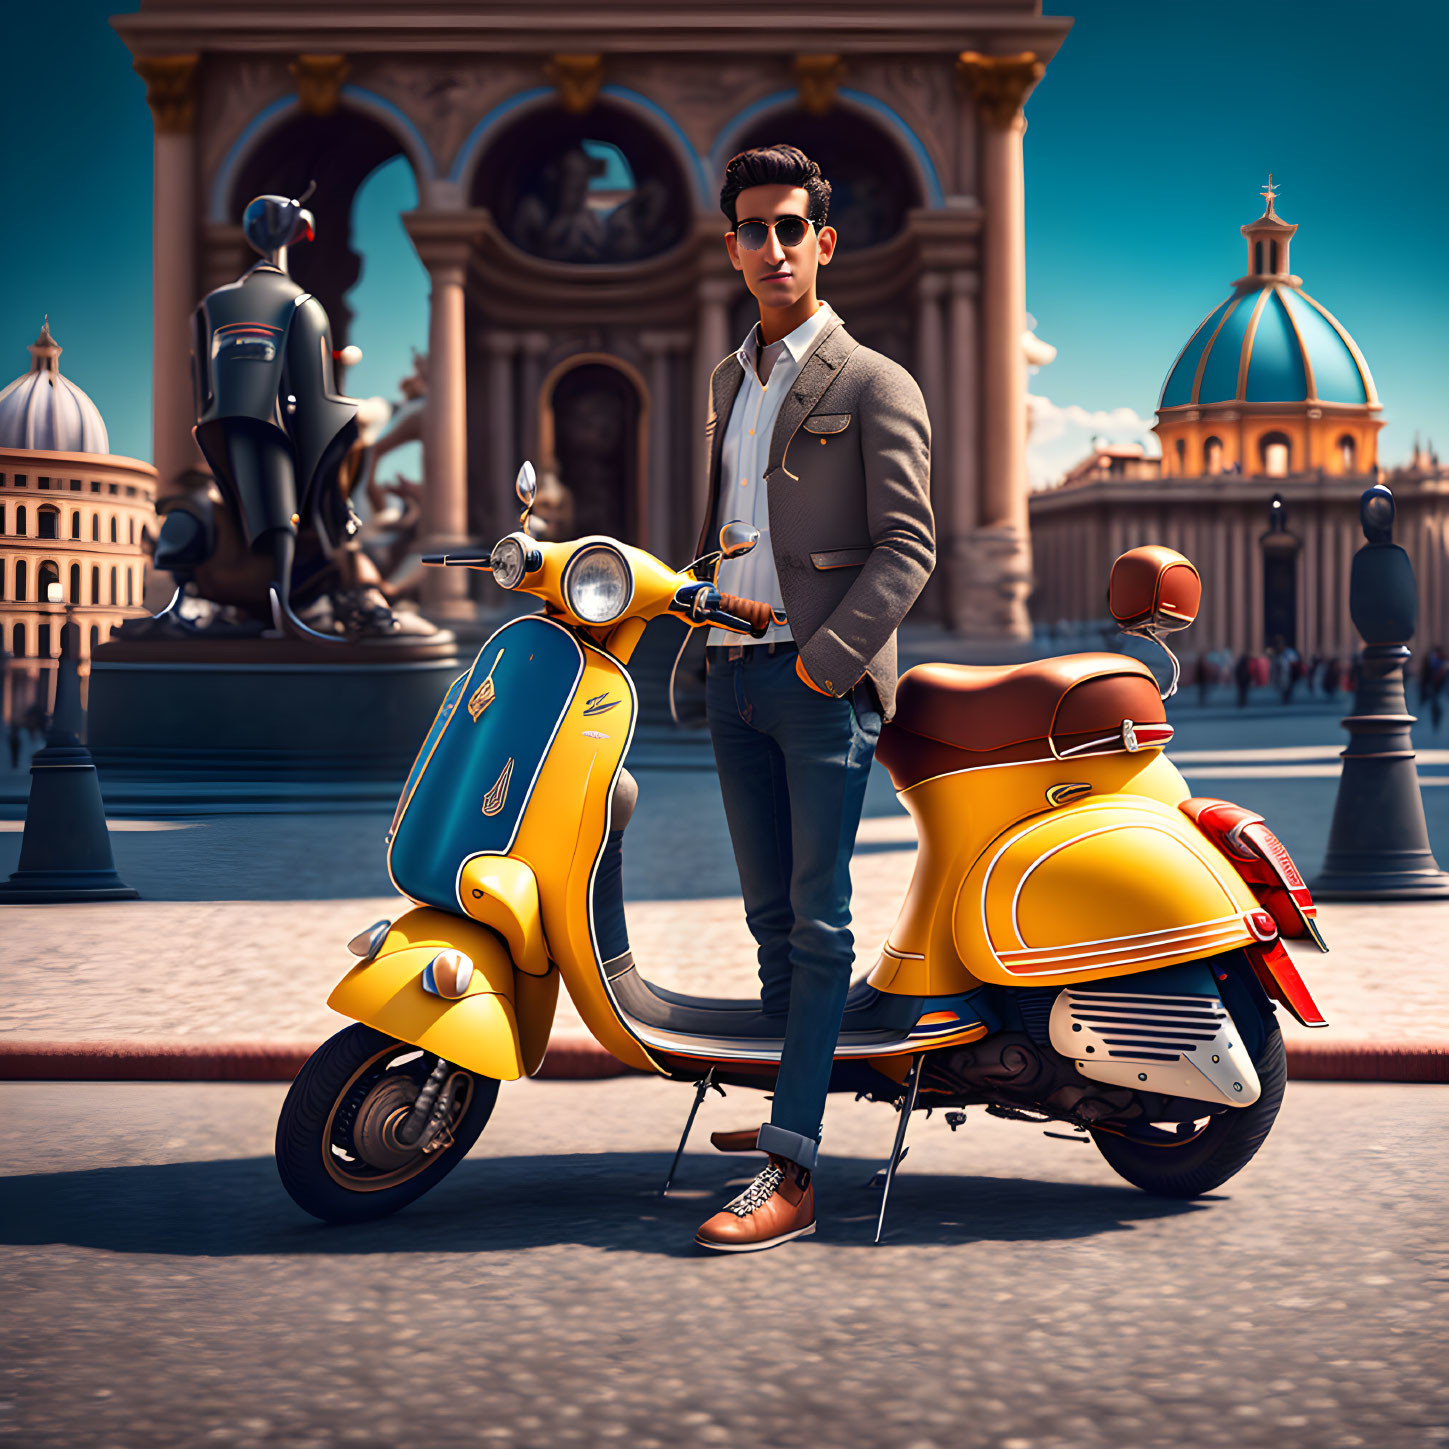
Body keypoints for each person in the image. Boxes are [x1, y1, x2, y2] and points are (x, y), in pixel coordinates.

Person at [690, 145, 934, 1252]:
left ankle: (793, 1172)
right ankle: (799, 1107)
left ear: (823, 243)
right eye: (753, 228)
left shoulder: (875, 381)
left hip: (814, 687)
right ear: (731, 244)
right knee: (770, 919)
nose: (773, 247)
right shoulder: (727, 381)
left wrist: (819, 666)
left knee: (822, 920)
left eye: (792, 228)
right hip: (735, 678)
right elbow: (727, 531)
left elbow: (908, 549)